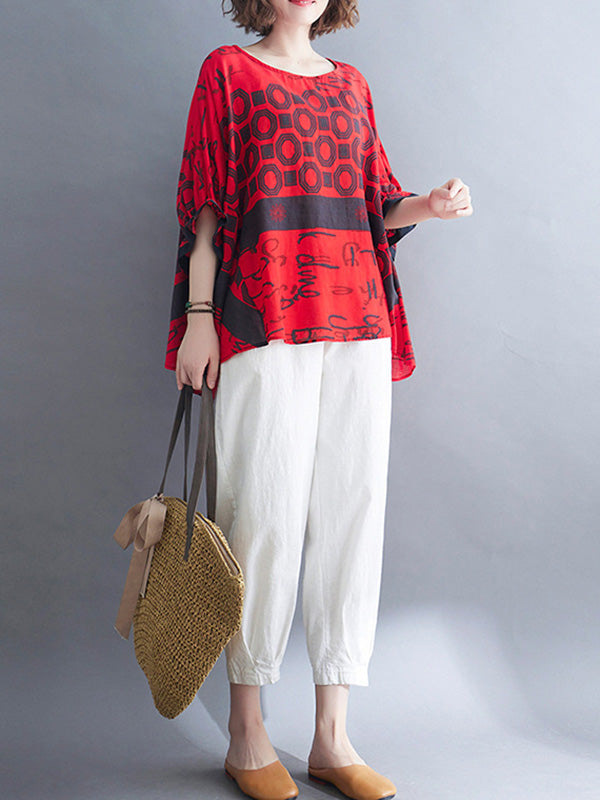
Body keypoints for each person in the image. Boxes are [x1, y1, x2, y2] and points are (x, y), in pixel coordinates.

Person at [164, 2, 473, 799]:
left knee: (351, 514)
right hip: (263, 315)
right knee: (261, 515)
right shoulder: (227, 72)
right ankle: (247, 732)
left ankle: (333, 736)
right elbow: (205, 208)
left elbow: (376, 206)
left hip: (357, 320)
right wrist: (198, 319)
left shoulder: (352, 85)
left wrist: (429, 207)